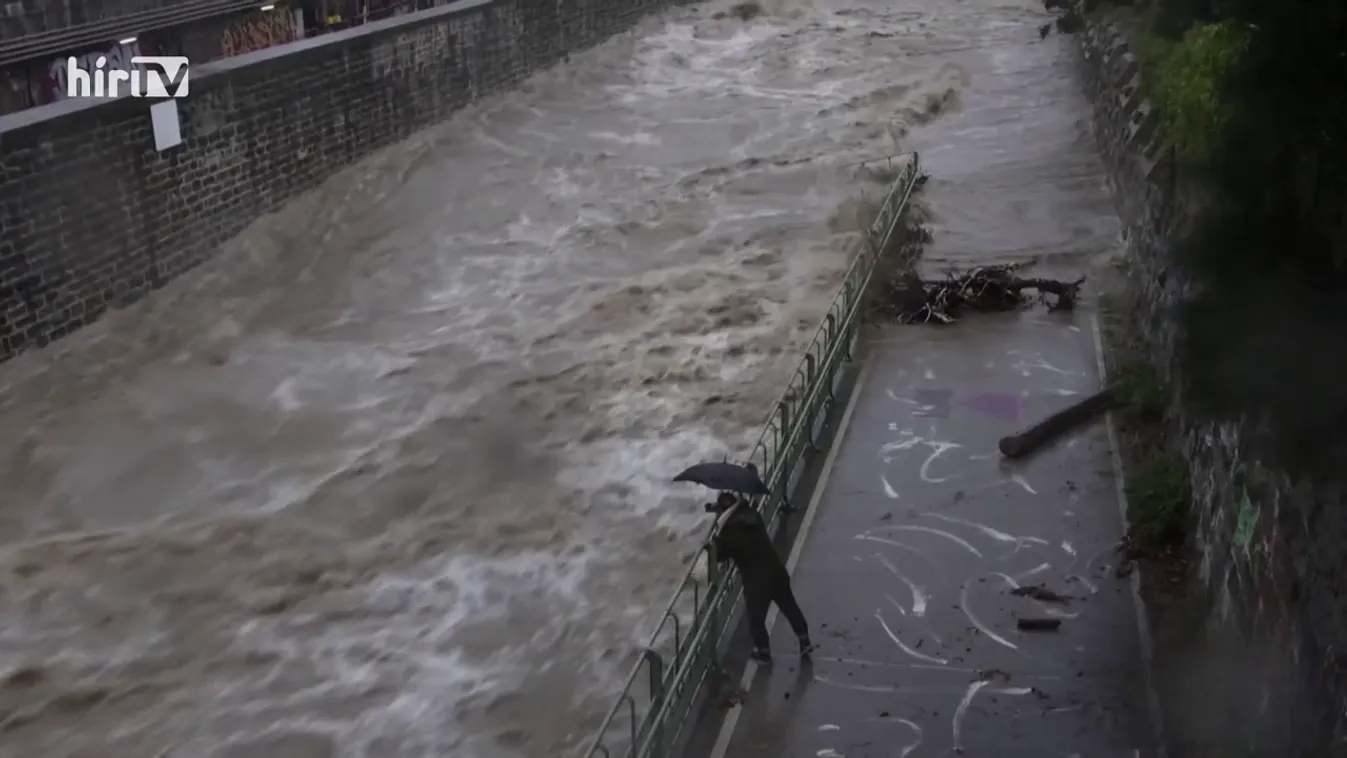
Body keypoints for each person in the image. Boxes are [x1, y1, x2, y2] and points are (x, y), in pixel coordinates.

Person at [707, 492, 815, 664]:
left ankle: (763, 652)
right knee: (789, 606)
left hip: (757, 581)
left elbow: (719, 555)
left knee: (756, 618)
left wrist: (716, 531)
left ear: (724, 512)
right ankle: (804, 639)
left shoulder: (729, 533)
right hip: (776, 570)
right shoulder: (753, 517)